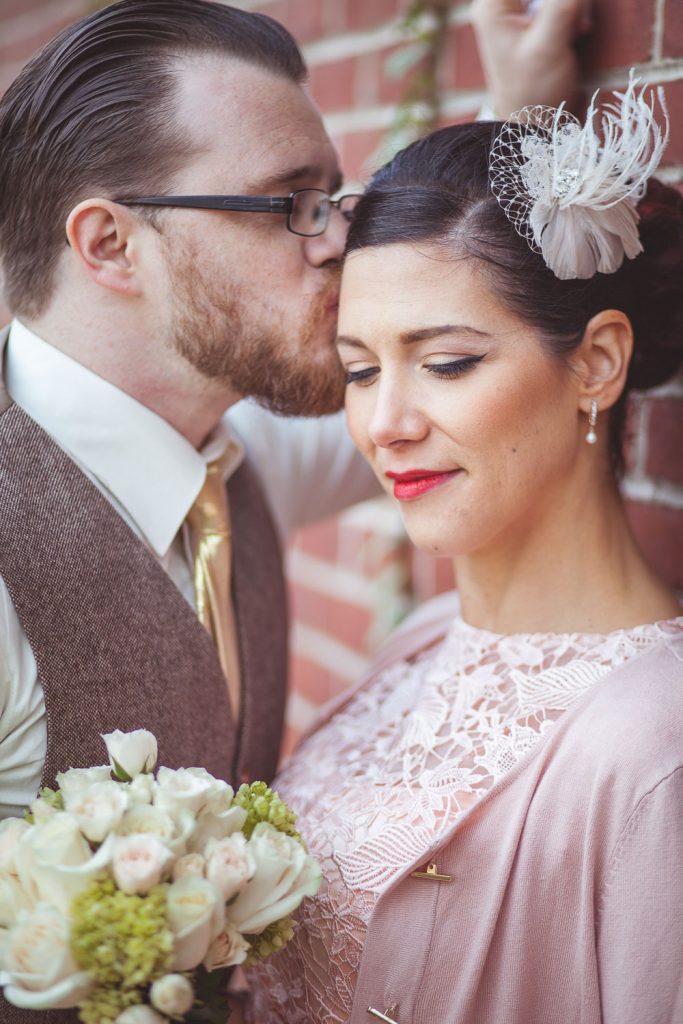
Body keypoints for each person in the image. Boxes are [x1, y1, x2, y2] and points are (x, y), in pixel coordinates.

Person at [0, 0, 586, 811]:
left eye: (331, 200)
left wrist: (521, 115)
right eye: (289, 205)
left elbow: (465, 404)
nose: (338, 241)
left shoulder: (235, 451)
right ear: (110, 245)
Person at [244, 83, 683, 1023]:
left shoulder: (656, 756)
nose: (384, 424)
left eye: (445, 363)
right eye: (359, 371)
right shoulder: (424, 637)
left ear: (597, 362)